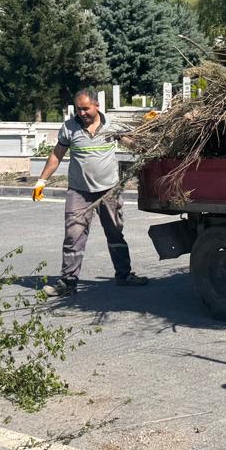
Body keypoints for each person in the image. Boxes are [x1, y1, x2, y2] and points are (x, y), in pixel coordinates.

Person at [31, 89, 147, 297]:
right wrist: (42, 180)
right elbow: (56, 156)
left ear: (96, 106)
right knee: (73, 236)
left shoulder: (112, 126)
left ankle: (124, 275)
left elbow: (132, 143)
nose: (82, 113)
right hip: (79, 192)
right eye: (79, 109)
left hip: (109, 191)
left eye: (85, 108)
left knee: (115, 232)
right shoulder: (69, 128)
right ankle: (68, 282)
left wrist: (146, 147)